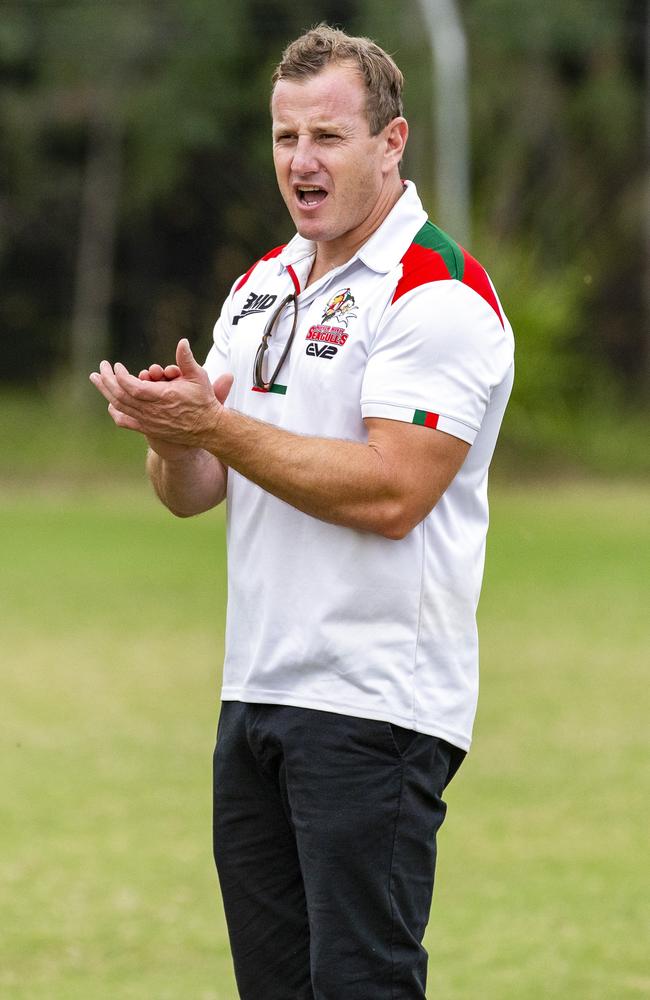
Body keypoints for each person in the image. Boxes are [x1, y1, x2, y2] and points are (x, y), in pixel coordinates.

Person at [90, 24, 514, 1000]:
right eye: (284, 138)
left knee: (360, 985)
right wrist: (171, 433)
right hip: (256, 690)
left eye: (326, 136)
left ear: (390, 142)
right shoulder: (260, 286)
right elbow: (193, 495)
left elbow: (392, 491)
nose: (300, 162)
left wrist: (218, 428)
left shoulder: (434, 291)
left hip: (372, 705)